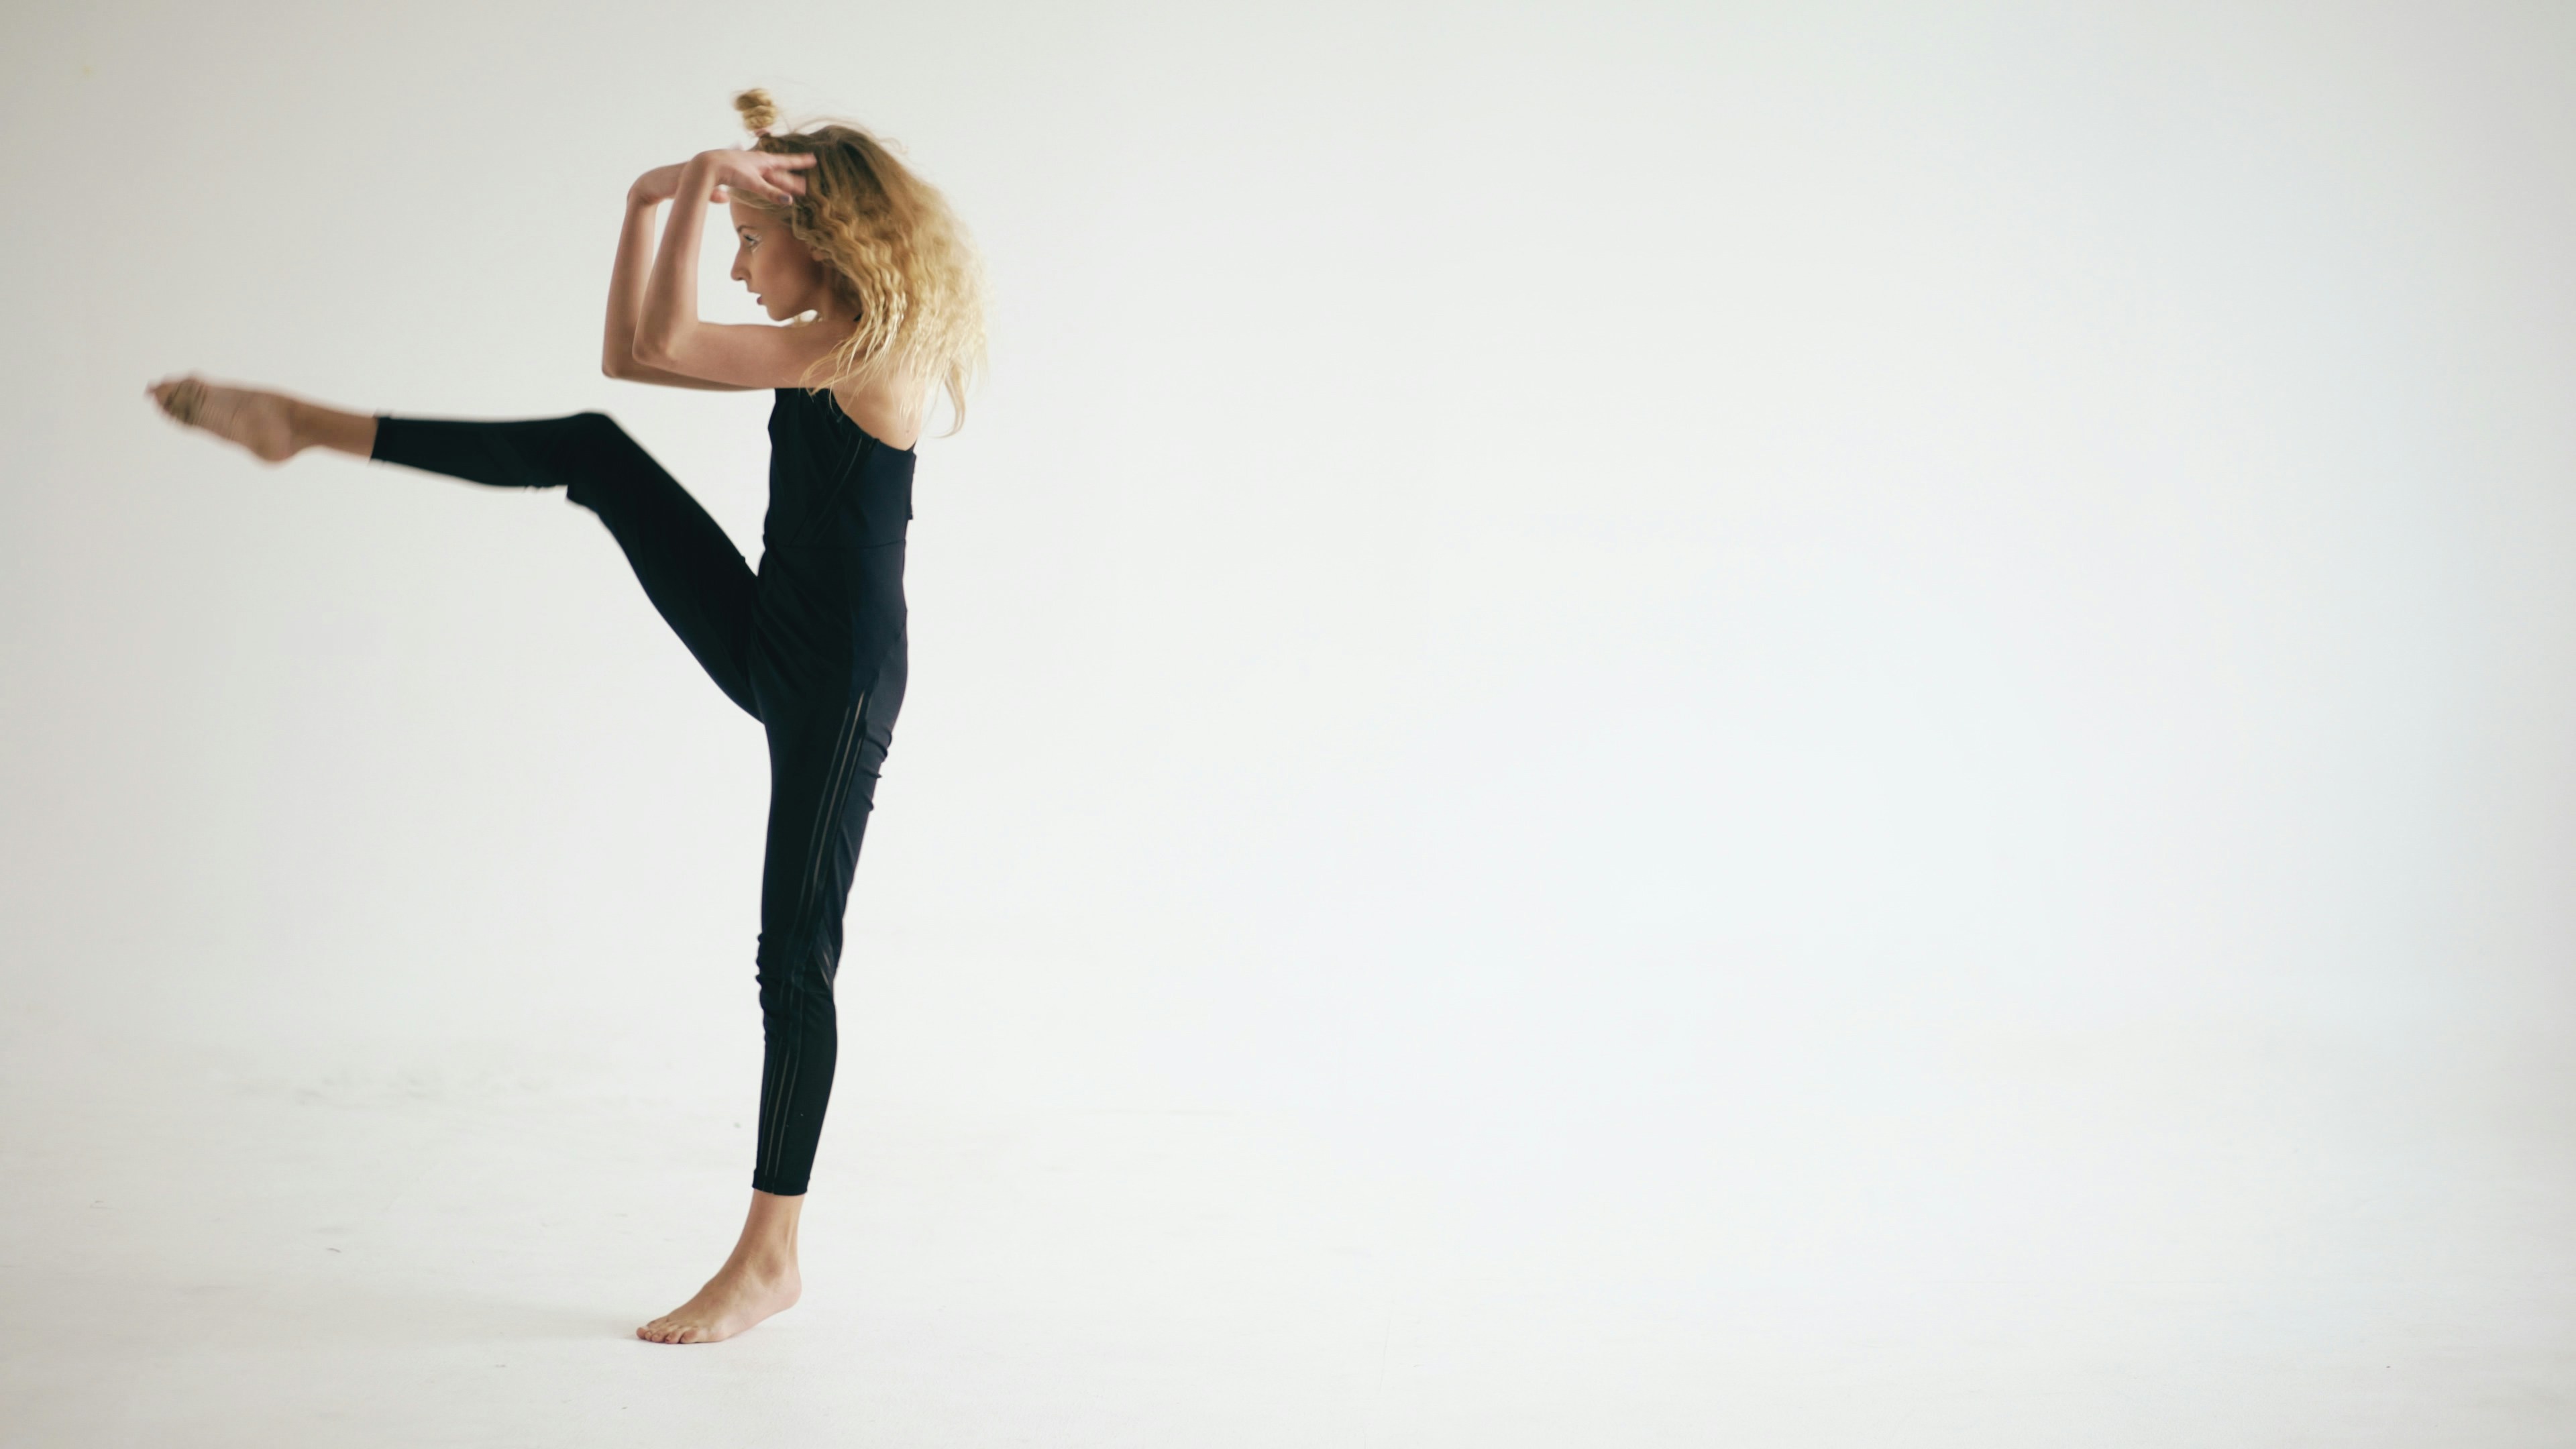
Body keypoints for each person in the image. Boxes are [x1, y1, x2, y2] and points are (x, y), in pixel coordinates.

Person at [144, 87, 987, 1345]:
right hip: (773, 635)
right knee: (594, 445)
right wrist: (657, 203)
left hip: (838, 680)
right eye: (737, 244)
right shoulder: (824, 334)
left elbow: (672, 342)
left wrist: (698, 183)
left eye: (753, 241)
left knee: (793, 954)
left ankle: (771, 1257)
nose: (744, 266)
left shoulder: (870, 349)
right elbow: (632, 359)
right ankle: (302, 428)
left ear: (826, 233)